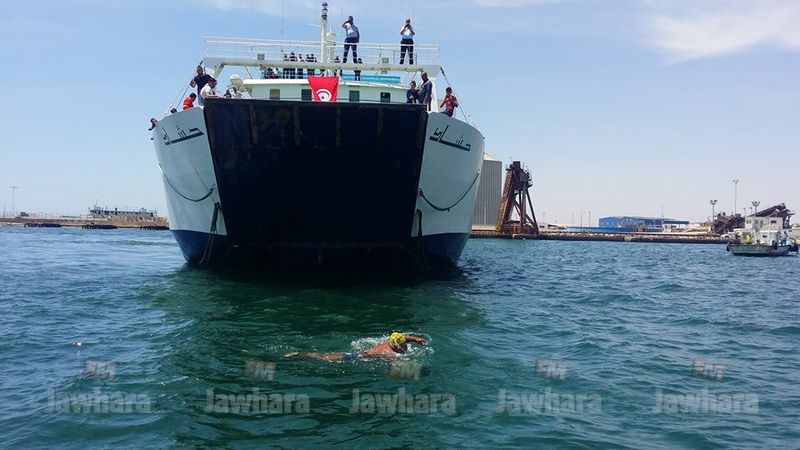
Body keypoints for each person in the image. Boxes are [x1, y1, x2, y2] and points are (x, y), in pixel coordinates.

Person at [285, 332, 426, 362]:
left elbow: (405, 337)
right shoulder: (389, 353)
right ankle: (300, 354)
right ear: (397, 346)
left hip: (363, 352)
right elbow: (396, 367)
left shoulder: (391, 341)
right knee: (325, 358)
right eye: (404, 343)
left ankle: (300, 353)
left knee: (329, 354)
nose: (406, 342)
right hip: (358, 357)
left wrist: (416, 339)